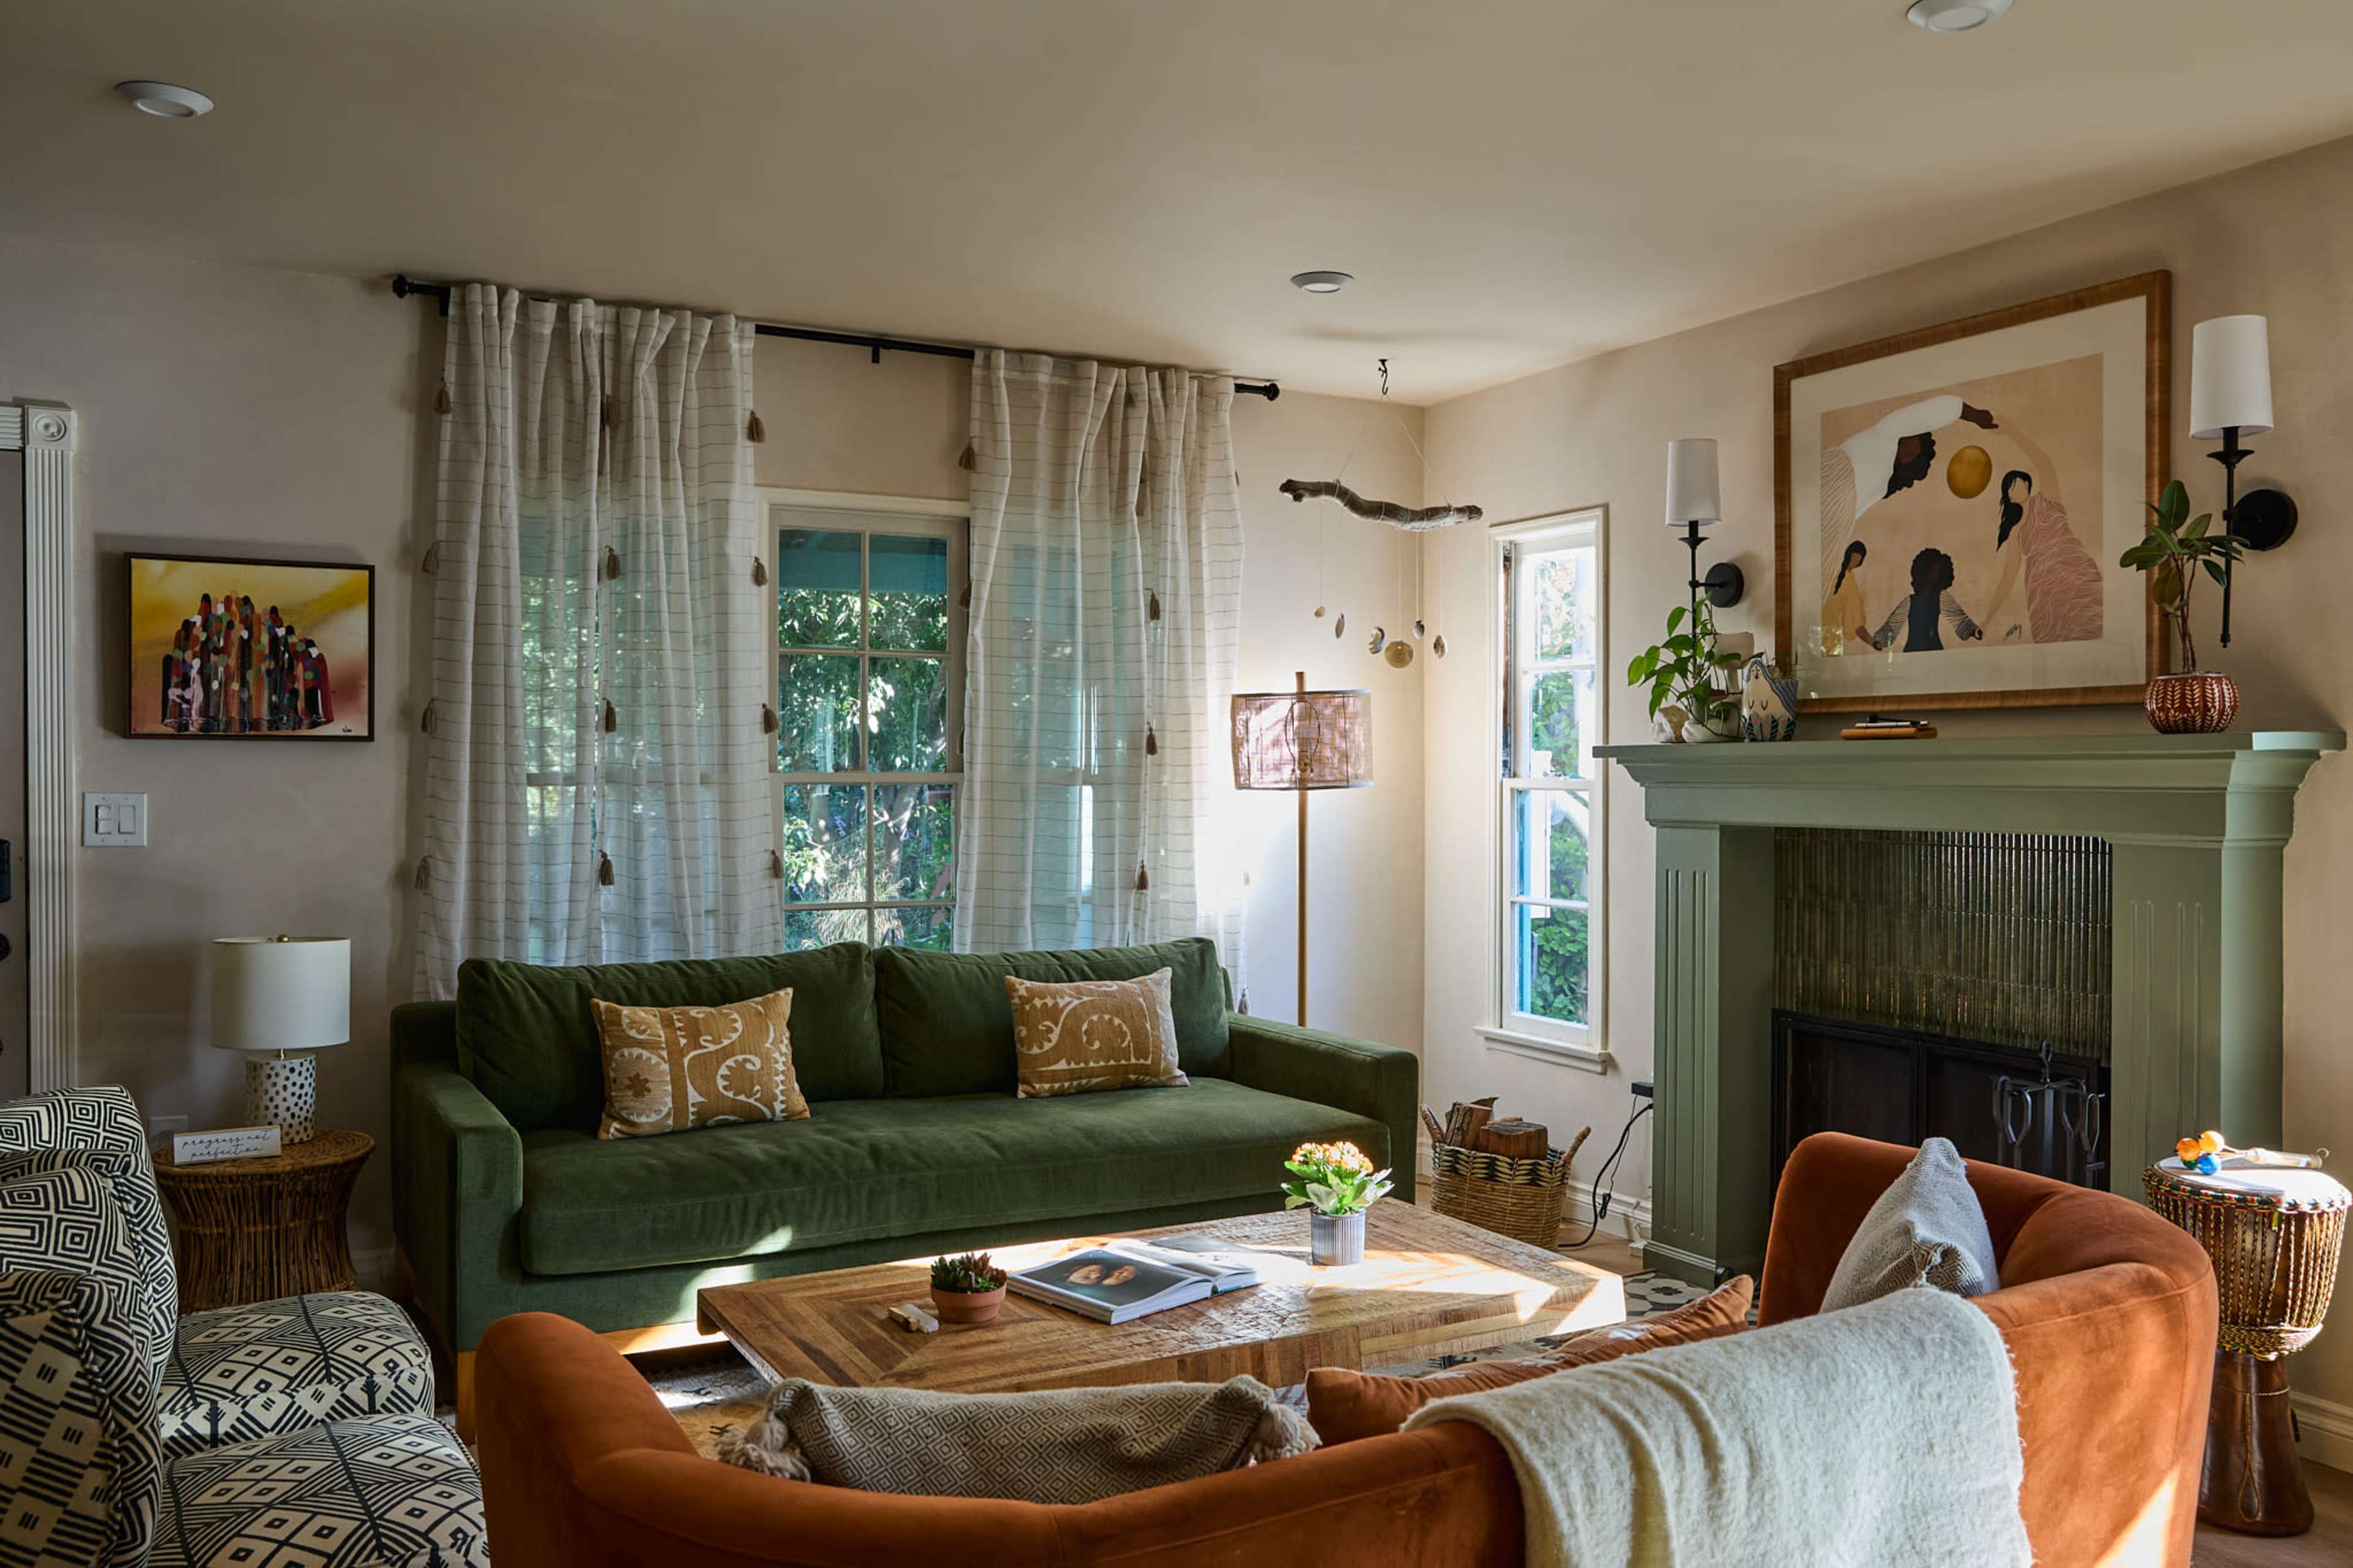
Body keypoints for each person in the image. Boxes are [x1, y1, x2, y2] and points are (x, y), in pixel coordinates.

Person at [1820, 396, 1999, 589]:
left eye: (1917, 445)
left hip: (1834, 514)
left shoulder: (1881, 484)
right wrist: (1975, 416)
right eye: (1915, 437)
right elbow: (1940, 409)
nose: (1913, 437)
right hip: (1830, 485)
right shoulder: (1886, 434)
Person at [1979, 468, 2104, 646]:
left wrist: (2014, 437)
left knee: (2090, 621)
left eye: (2017, 483)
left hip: (2076, 572)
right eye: (2010, 488)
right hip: (2044, 592)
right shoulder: (2017, 531)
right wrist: (1987, 621)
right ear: (2009, 497)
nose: (2015, 489)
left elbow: (2044, 461)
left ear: (2027, 483)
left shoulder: (2048, 500)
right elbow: (2007, 579)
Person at [1870, 547, 1982, 653]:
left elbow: (1959, 617)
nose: (1934, 576)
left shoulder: (1941, 597)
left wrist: (1974, 631)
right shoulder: (1910, 601)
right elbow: (1893, 624)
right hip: (1912, 653)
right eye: (1932, 572)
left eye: (1937, 572)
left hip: (1934, 652)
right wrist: (1879, 641)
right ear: (1923, 573)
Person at [1819, 540, 1872, 656]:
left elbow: (1854, 621)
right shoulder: (1832, 572)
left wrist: (1872, 642)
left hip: (1826, 634)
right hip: (1827, 634)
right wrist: (1872, 642)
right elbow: (1855, 624)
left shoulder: (1845, 580)